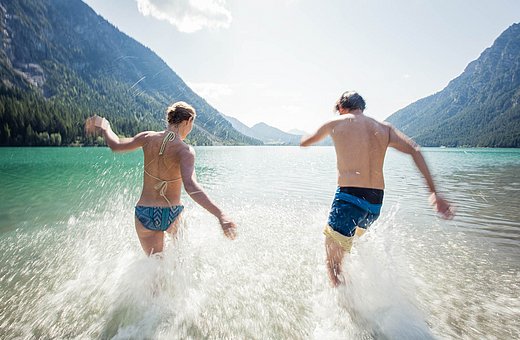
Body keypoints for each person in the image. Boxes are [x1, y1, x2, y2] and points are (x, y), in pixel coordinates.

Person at [300, 91, 454, 287]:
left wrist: (303, 138)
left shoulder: (336, 123)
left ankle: (348, 310)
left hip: (349, 198)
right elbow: (415, 149)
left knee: (333, 264)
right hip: (374, 205)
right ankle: (363, 297)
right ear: (361, 107)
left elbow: (306, 142)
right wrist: (434, 192)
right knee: (347, 248)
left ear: (341, 107)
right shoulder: (384, 128)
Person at [85, 101, 237, 255]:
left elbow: (116, 145)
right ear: (188, 121)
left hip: (145, 214)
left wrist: (105, 127)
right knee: (181, 261)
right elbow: (191, 186)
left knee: (155, 268)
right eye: (192, 124)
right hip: (172, 213)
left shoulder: (147, 137)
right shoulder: (185, 151)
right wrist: (220, 214)